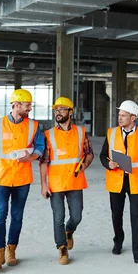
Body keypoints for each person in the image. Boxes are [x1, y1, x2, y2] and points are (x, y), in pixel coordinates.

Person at [0, 88, 45, 270]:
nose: (29, 108)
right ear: (16, 105)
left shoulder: (34, 126)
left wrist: (30, 157)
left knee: (17, 217)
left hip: (22, 179)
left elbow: (40, 148)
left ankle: (11, 250)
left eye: (30, 105)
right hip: (1, 178)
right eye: (27, 105)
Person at [39, 97, 94, 265]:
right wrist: (43, 184)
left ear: (71, 112)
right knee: (58, 217)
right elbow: (43, 162)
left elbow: (89, 153)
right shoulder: (48, 135)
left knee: (76, 216)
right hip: (55, 183)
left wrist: (85, 164)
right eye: (56, 109)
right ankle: (62, 249)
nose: (58, 112)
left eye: (62, 109)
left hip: (75, 181)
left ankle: (69, 230)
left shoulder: (80, 132)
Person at [100, 100, 138, 264]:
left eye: (123, 115)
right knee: (116, 214)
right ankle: (118, 240)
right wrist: (108, 164)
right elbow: (103, 155)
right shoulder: (111, 133)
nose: (119, 118)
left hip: (136, 181)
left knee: (136, 216)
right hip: (116, 180)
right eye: (119, 115)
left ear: (133, 117)